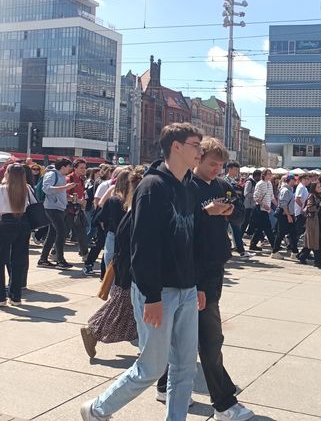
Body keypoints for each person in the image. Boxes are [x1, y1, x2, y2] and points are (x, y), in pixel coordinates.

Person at [80, 122, 204, 421]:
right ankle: (96, 409)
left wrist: (198, 284)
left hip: (186, 288)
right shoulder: (152, 187)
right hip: (158, 291)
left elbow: (191, 241)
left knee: (185, 366)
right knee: (152, 367)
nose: (200, 151)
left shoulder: (189, 186)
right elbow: (143, 246)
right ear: (176, 147)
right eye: (195, 145)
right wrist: (151, 296)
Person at [155, 137, 253, 421]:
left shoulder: (222, 185)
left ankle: (165, 386)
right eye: (212, 164)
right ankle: (223, 402)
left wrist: (230, 210)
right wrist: (204, 212)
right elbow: (178, 228)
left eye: (220, 165)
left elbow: (241, 216)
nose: (216, 170)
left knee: (187, 335)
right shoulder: (186, 186)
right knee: (210, 338)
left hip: (215, 267)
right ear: (198, 159)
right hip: (194, 270)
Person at [80, 168, 143, 357]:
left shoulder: (124, 204)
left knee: (122, 306)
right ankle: (93, 330)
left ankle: (94, 330)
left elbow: (99, 217)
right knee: (121, 306)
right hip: (128, 266)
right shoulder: (133, 210)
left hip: (120, 256)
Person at [39, 158, 77, 269]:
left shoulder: (60, 176)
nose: (70, 169)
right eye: (69, 166)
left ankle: (43, 259)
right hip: (52, 207)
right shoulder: (52, 174)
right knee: (61, 232)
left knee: (53, 233)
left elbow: (59, 191)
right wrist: (66, 187)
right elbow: (46, 188)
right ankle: (60, 260)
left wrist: (69, 197)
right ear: (63, 166)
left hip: (58, 207)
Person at [0, 164, 30, 306]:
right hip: (23, 223)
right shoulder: (26, 189)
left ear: (8, 174)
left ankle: (1, 298)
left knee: (1, 260)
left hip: (5, 223)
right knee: (18, 261)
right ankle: (16, 296)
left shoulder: (2, 189)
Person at [297, 181, 321, 269]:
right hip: (313, 221)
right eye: (318, 187)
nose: (320, 188)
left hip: (319, 220)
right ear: (314, 188)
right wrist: (320, 205)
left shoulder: (320, 196)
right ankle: (318, 261)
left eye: (320, 187)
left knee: (313, 241)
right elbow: (310, 208)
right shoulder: (311, 196)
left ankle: (302, 256)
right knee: (315, 240)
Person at [66, 158, 89, 258]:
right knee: (63, 233)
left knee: (82, 233)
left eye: (85, 168)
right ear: (75, 168)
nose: (84, 170)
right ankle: (54, 252)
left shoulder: (81, 180)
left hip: (78, 210)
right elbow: (65, 196)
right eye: (81, 168)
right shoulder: (69, 179)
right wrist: (78, 201)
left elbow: (81, 193)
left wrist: (83, 202)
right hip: (68, 210)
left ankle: (84, 253)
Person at [249, 169, 276, 252]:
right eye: (268, 174)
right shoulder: (260, 184)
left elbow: (271, 196)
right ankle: (274, 245)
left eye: (271, 174)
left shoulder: (269, 184)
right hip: (260, 209)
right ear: (264, 175)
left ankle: (253, 244)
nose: (270, 176)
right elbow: (255, 197)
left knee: (260, 228)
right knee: (267, 227)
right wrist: (263, 205)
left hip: (267, 209)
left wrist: (277, 205)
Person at [224, 161, 247, 257]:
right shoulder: (225, 180)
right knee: (225, 230)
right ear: (229, 169)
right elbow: (227, 194)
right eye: (235, 169)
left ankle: (241, 251)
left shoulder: (234, 180)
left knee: (236, 229)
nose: (237, 172)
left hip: (234, 209)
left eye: (237, 170)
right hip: (227, 209)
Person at [272, 174, 297, 259]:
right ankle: (275, 251)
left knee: (293, 233)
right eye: (294, 180)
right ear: (289, 180)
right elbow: (283, 204)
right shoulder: (285, 190)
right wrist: (289, 215)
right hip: (284, 214)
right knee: (281, 233)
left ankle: (294, 252)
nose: (295, 181)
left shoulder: (290, 189)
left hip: (289, 214)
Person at [293, 173, 311, 252]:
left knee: (302, 230)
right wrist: (303, 208)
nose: (307, 180)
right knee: (298, 230)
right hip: (300, 212)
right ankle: (292, 245)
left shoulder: (304, 188)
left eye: (308, 179)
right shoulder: (301, 187)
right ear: (301, 179)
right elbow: (297, 199)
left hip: (303, 212)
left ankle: (292, 244)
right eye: (305, 179)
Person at [242, 169, 261, 236]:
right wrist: (255, 195)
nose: (260, 178)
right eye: (260, 176)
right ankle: (239, 236)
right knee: (245, 222)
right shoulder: (249, 182)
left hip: (252, 205)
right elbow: (246, 194)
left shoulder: (255, 182)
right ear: (256, 176)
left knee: (253, 221)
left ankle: (249, 234)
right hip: (247, 205)